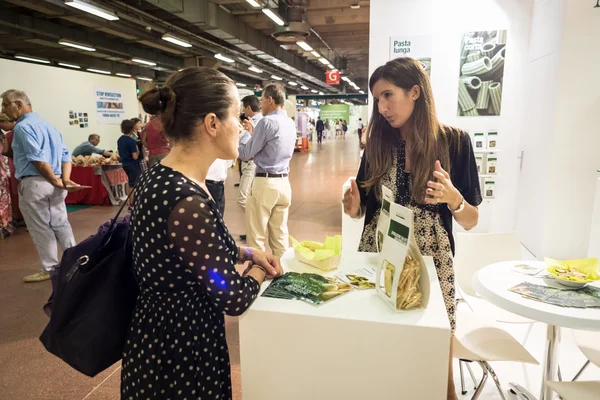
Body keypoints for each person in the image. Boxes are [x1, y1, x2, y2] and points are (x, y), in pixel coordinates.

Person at [128, 66, 283, 399]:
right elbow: (231, 294)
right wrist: (259, 270)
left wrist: (248, 252)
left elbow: (190, 252)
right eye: (235, 118)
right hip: (183, 351)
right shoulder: (187, 202)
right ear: (212, 123)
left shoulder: (161, 178)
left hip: (156, 336)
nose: (241, 129)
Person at [342, 58, 481, 400]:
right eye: (377, 99)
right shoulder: (377, 144)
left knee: (435, 341)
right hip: (382, 248)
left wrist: (454, 199)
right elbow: (361, 206)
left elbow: (471, 219)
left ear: (415, 92)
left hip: (432, 255)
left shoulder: (455, 142)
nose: (383, 107)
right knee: (381, 340)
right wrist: (351, 205)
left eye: (388, 95)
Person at [1, 89, 79, 283]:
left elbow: (38, 159)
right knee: (61, 223)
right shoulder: (49, 126)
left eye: (5, 105)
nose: (3, 109)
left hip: (36, 183)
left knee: (40, 227)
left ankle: (50, 268)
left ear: (18, 105)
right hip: (56, 181)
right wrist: (64, 180)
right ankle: (75, 262)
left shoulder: (21, 127)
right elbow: (65, 155)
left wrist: (54, 180)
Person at [238, 83, 296, 257]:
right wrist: (254, 133)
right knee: (280, 236)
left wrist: (243, 135)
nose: (260, 104)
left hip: (265, 184)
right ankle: (283, 274)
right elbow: (273, 146)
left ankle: (258, 277)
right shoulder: (289, 123)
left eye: (262, 100)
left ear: (270, 100)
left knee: (256, 237)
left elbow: (246, 154)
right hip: (284, 184)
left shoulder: (267, 122)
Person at [238, 95, 262, 211]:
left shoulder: (257, 123)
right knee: (251, 196)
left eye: (243, 107)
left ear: (248, 108)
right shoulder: (258, 121)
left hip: (251, 162)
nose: (243, 110)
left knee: (243, 198)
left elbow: (250, 144)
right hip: (250, 162)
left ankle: (256, 223)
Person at [0, 113, 23, 224]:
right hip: (5, 167)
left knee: (15, 191)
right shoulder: (5, 135)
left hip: (13, 163)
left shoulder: (9, 134)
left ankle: (17, 216)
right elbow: (5, 150)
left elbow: (6, 151)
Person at [117, 119, 141, 206]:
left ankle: (128, 201)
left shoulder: (120, 139)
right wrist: (138, 151)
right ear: (132, 129)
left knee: (129, 182)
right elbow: (135, 156)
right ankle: (132, 203)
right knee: (133, 184)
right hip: (132, 164)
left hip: (125, 163)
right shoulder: (131, 141)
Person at [0, 124, 14, 239]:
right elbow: (6, 150)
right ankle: (3, 225)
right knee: (3, 198)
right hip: (1, 172)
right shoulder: (2, 136)